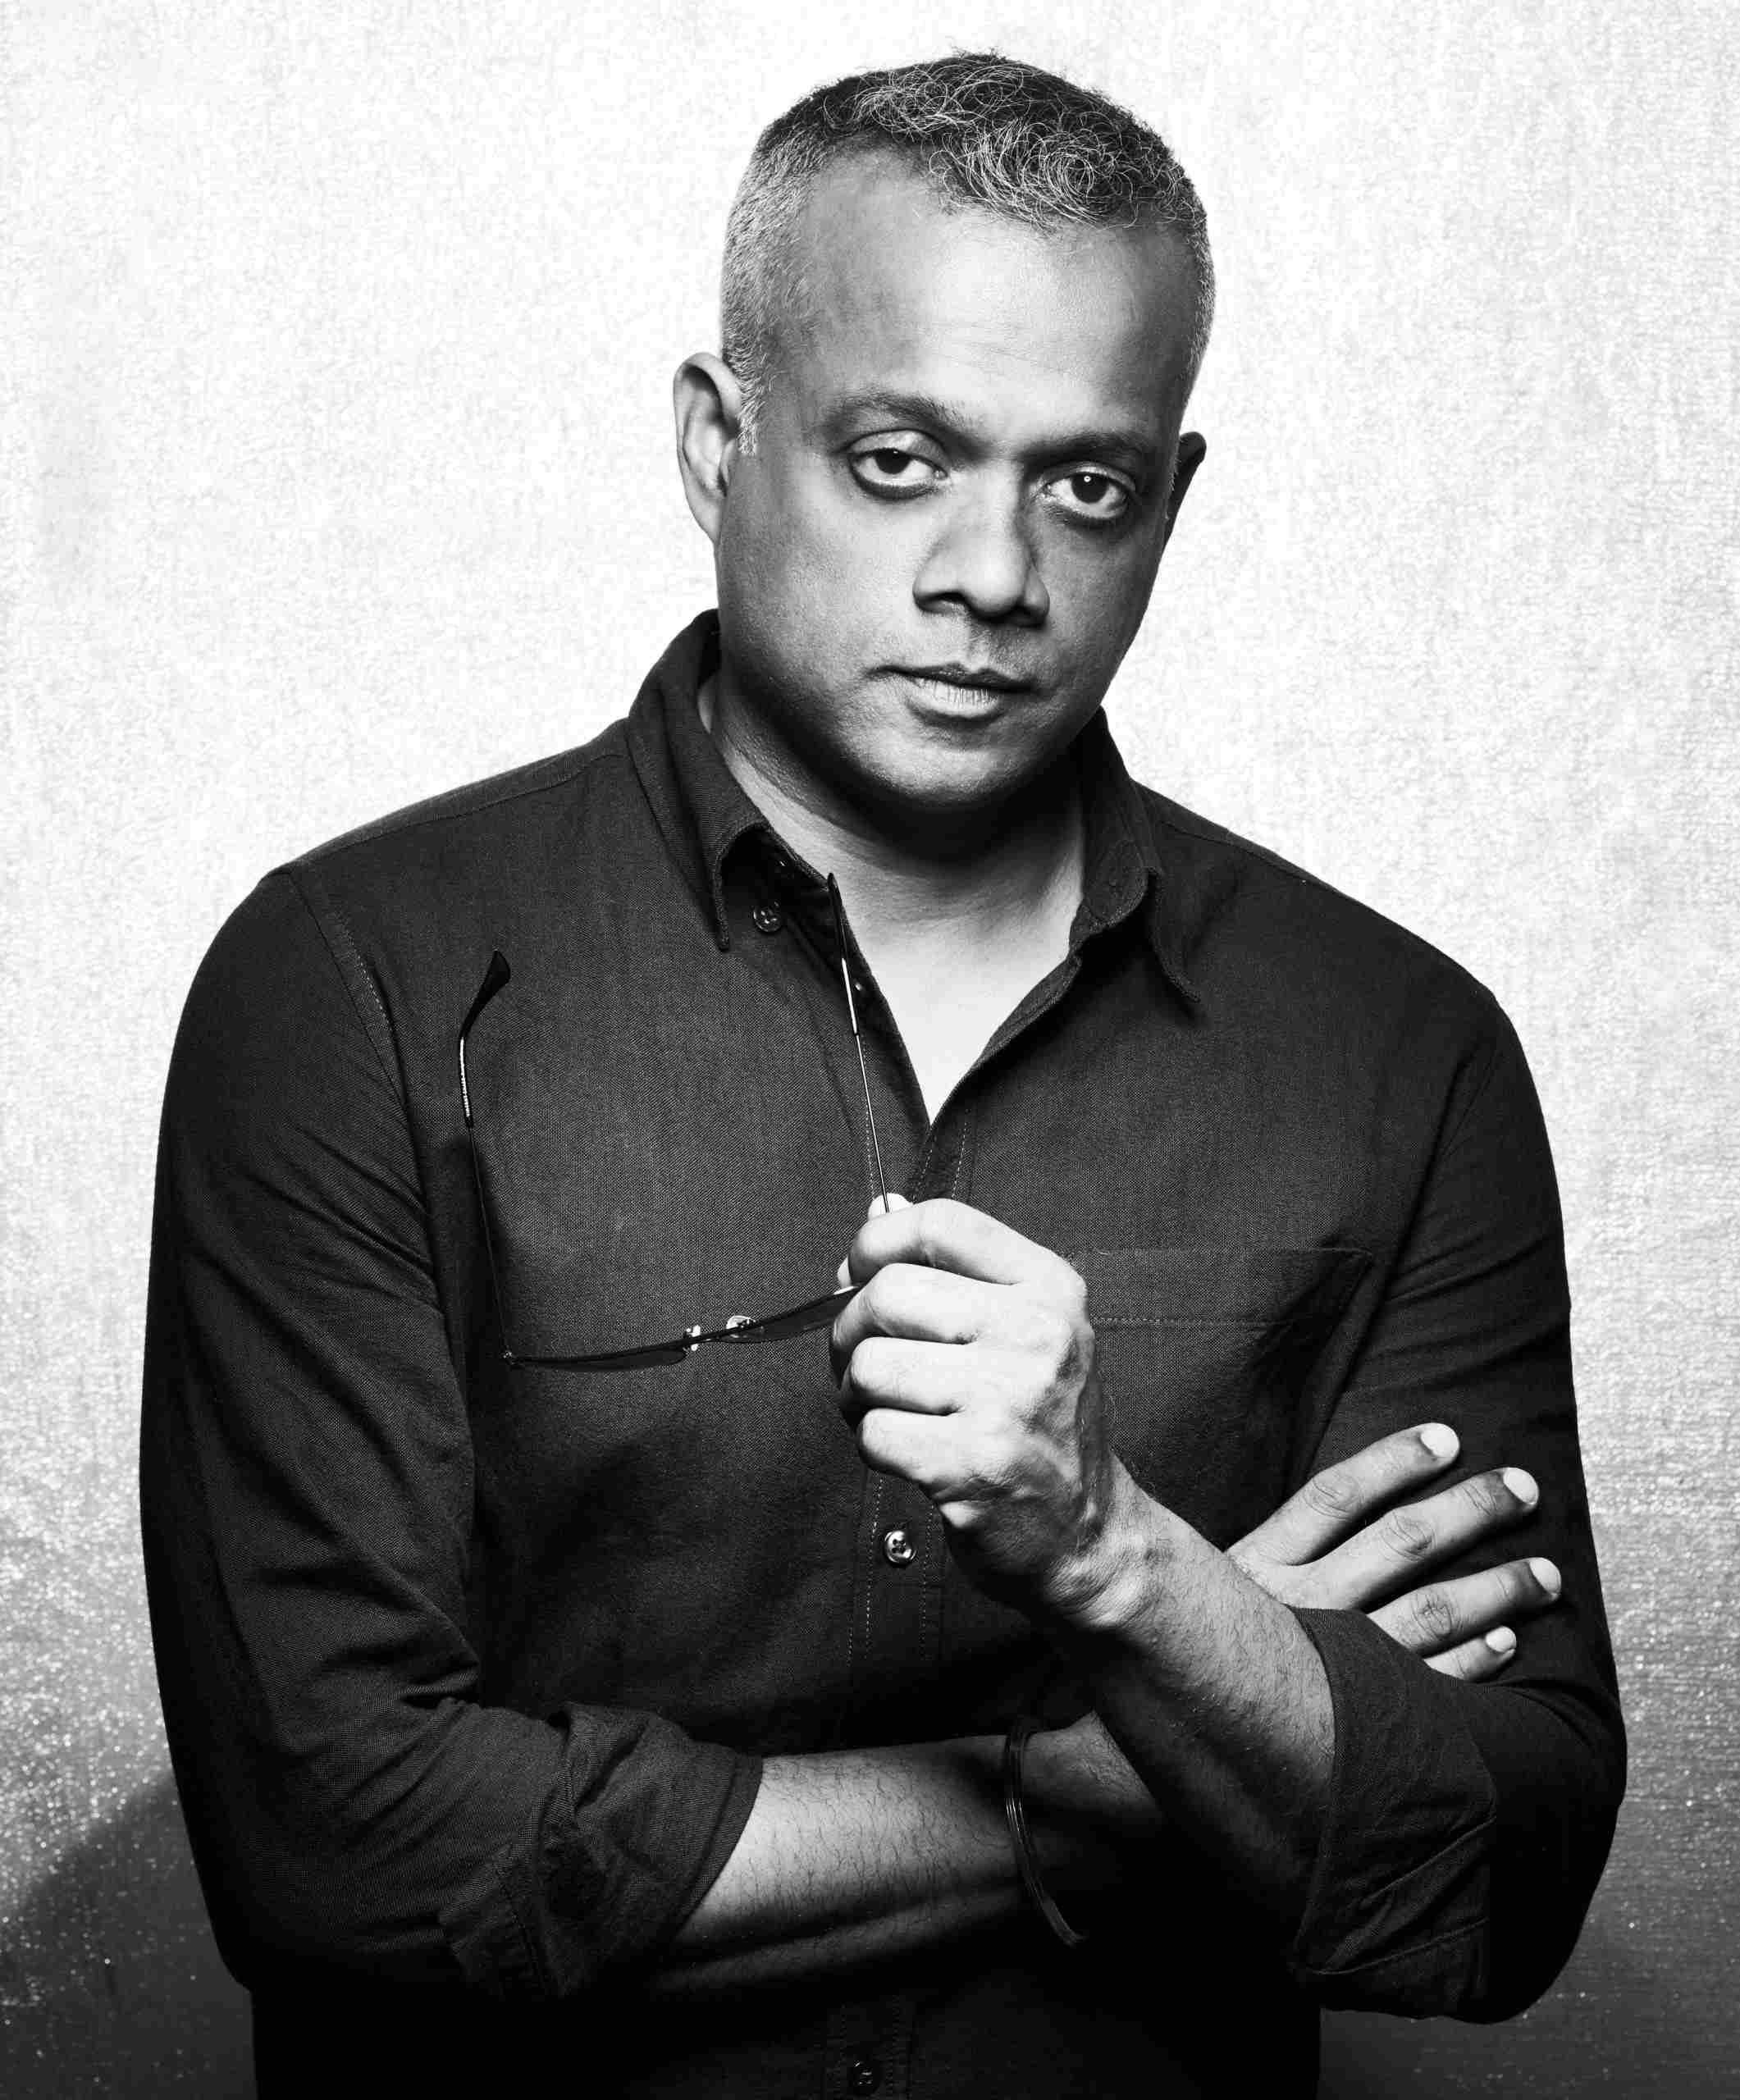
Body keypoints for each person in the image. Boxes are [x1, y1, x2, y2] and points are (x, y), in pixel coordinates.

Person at [139, 52, 1624, 2099]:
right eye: (899, 458)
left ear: (1170, 499)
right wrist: (1095, 1779)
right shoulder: (355, 988)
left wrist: (1113, 1554)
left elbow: (1494, 1880)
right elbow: (339, 1850)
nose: (993, 576)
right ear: (715, 442)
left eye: (1084, 486)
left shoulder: (1397, 1051)